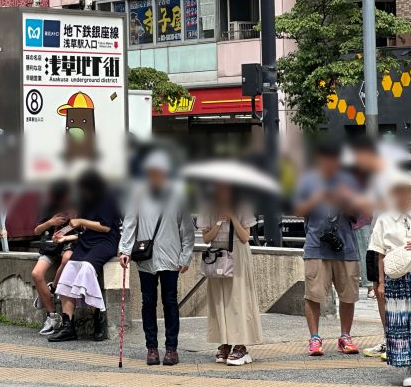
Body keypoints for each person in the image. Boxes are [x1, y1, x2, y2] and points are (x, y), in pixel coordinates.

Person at [118, 151, 193, 366]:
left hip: (170, 256)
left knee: (170, 301)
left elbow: (186, 229)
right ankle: (151, 347)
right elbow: (130, 224)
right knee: (148, 302)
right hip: (146, 257)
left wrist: (185, 256)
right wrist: (124, 250)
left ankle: (171, 348)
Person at [294, 139, 367, 357]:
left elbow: (359, 214)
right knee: (313, 295)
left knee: (348, 295)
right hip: (316, 246)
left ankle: (345, 336)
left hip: (346, 247)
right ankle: (314, 338)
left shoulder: (348, 180)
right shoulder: (308, 180)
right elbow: (298, 210)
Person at [49, 169, 121, 344]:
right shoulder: (85, 202)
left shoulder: (108, 199)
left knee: (87, 269)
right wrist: (63, 234)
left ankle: (98, 319)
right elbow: (81, 227)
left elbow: (104, 227)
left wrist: (81, 221)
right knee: (68, 272)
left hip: (105, 242)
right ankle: (68, 325)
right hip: (86, 241)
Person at [199, 181, 262, 366]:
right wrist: (218, 221)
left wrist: (233, 216)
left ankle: (241, 345)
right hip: (217, 254)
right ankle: (224, 342)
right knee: (219, 299)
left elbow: (245, 237)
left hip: (238, 254)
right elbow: (206, 238)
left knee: (239, 298)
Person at [349, 134, 393, 360]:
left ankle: (397, 340)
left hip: (395, 241)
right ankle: (388, 339)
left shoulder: (393, 178)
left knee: (395, 291)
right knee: (378, 291)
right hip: (377, 240)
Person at [369, 170, 411, 386]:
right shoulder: (385, 218)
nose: (401, 195)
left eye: (405, 191)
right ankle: (410, 367)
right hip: (395, 278)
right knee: (402, 325)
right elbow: (380, 253)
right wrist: (381, 283)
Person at [33, 180, 73, 336]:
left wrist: (64, 232)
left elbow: (78, 226)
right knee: (36, 274)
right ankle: (52, 316)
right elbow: (36, 231)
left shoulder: (76, 205)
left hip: (67, 244)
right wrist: (50, 222)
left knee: (67, 259)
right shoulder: (49, 207)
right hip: (50, 246)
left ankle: (53, 287)